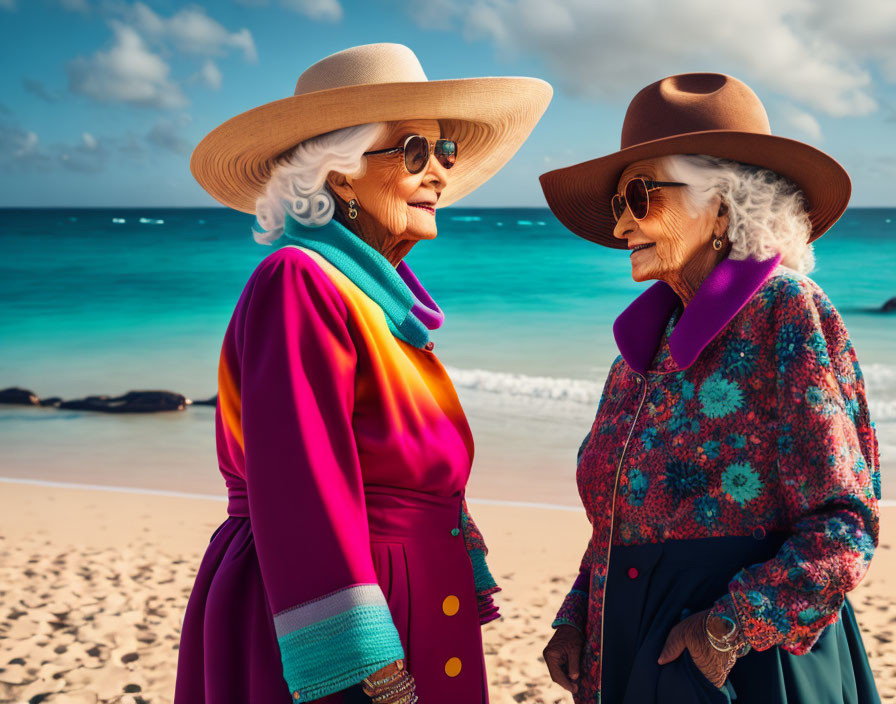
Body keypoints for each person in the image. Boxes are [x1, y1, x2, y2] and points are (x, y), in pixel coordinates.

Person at [173, 43, 551, 703]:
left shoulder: (373, 298)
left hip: (413, 605)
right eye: (413, 152)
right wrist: (364, 666)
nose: (439, 174)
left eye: (445, 153)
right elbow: (303, 488)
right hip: (343, 636)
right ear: (341, 174)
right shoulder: (298, 280)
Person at [539, 72, 881, 703]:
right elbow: (618, 515)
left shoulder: (786, 312)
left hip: (750, 665)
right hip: (634, 646)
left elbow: (845, 523)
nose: (620, 228)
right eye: (619, 204)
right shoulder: (641, 348)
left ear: (722, 201)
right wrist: (579, 613)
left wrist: (725, 633)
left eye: (640, 196)